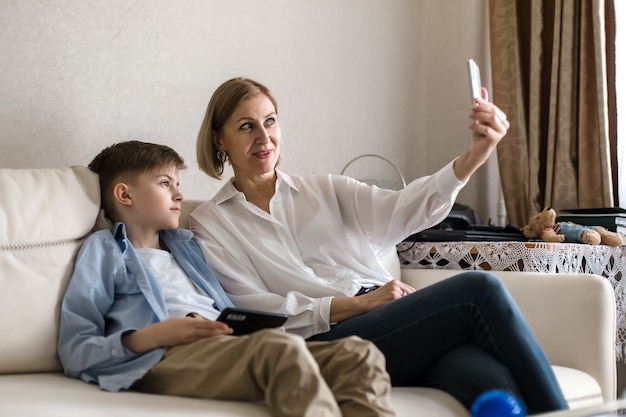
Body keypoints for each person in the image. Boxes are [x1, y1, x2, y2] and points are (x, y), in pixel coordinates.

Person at [190, 77, 570, 414]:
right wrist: (358, 304)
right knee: (478, 289)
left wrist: (473, 157)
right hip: (324, 341)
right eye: (246, 126)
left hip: (394, 323)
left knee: (491, 384)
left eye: (270, 121)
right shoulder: (211, 222)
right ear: (219, 138)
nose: (263, 136)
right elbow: (254, 308)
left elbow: (402, 209)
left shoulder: (325, 189)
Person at [57, 140, 396, 417]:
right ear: (124, 195)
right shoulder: (105, 250)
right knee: (278, 350)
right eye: (164, 183)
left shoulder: (187, 248)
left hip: (225, 345)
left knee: (358, 354)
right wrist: (154, 336)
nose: (178, 195)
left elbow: (228, 305)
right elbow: (75, 349)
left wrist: (253, 326)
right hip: (163, 357)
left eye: (178, 184)